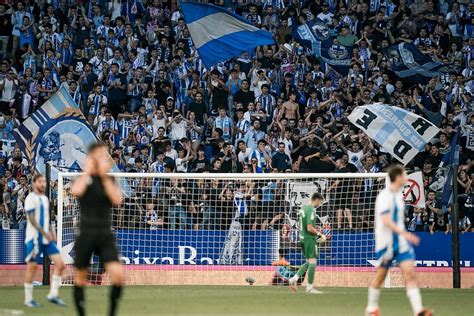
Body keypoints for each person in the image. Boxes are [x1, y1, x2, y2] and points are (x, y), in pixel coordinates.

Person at [366, 165, 432, 316]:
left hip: (401, 244)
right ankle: (371, 308)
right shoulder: (384, 196)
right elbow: (386, 220)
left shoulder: (399, 197)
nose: (406, 177)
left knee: (410, 274)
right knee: (380, 277)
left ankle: (418, 310)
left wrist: (404, 236)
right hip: (386, 244)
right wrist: (407, 234)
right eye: (404, 174)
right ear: (397, 177)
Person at [71, 143, 124, 316]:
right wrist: (88, 170)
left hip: (105, 234)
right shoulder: (84, 179)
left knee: (117, 275)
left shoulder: (109, 180)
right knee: (79, 278)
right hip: (86, 233)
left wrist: (104, 176)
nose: (104, 159)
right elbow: (76, 191)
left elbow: (117, 199)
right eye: (100, 155)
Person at [24, 173, 66, 307]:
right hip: (34, 238)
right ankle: (28, 299)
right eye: (40, 182)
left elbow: (46, 219)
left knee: (60, 264)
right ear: (34, 183)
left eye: (44, 182)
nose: (43, 184)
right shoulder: (30, 198)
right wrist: (44, 232)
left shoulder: (45, 199)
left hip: (46, 239)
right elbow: (31, 219)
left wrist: (52, 232)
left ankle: (53, 294)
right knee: (32, 268)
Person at [288, 192, 326, 294]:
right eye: (320, 202)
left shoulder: (303, 208)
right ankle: (309, 288)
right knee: (313, 262)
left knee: (309, 262)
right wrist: (320, 234)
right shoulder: (310, 210)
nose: (320, 204)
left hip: (303, 238)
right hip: (309, 239)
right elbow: (309, 228)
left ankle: (294, 279)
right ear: (316, 200)